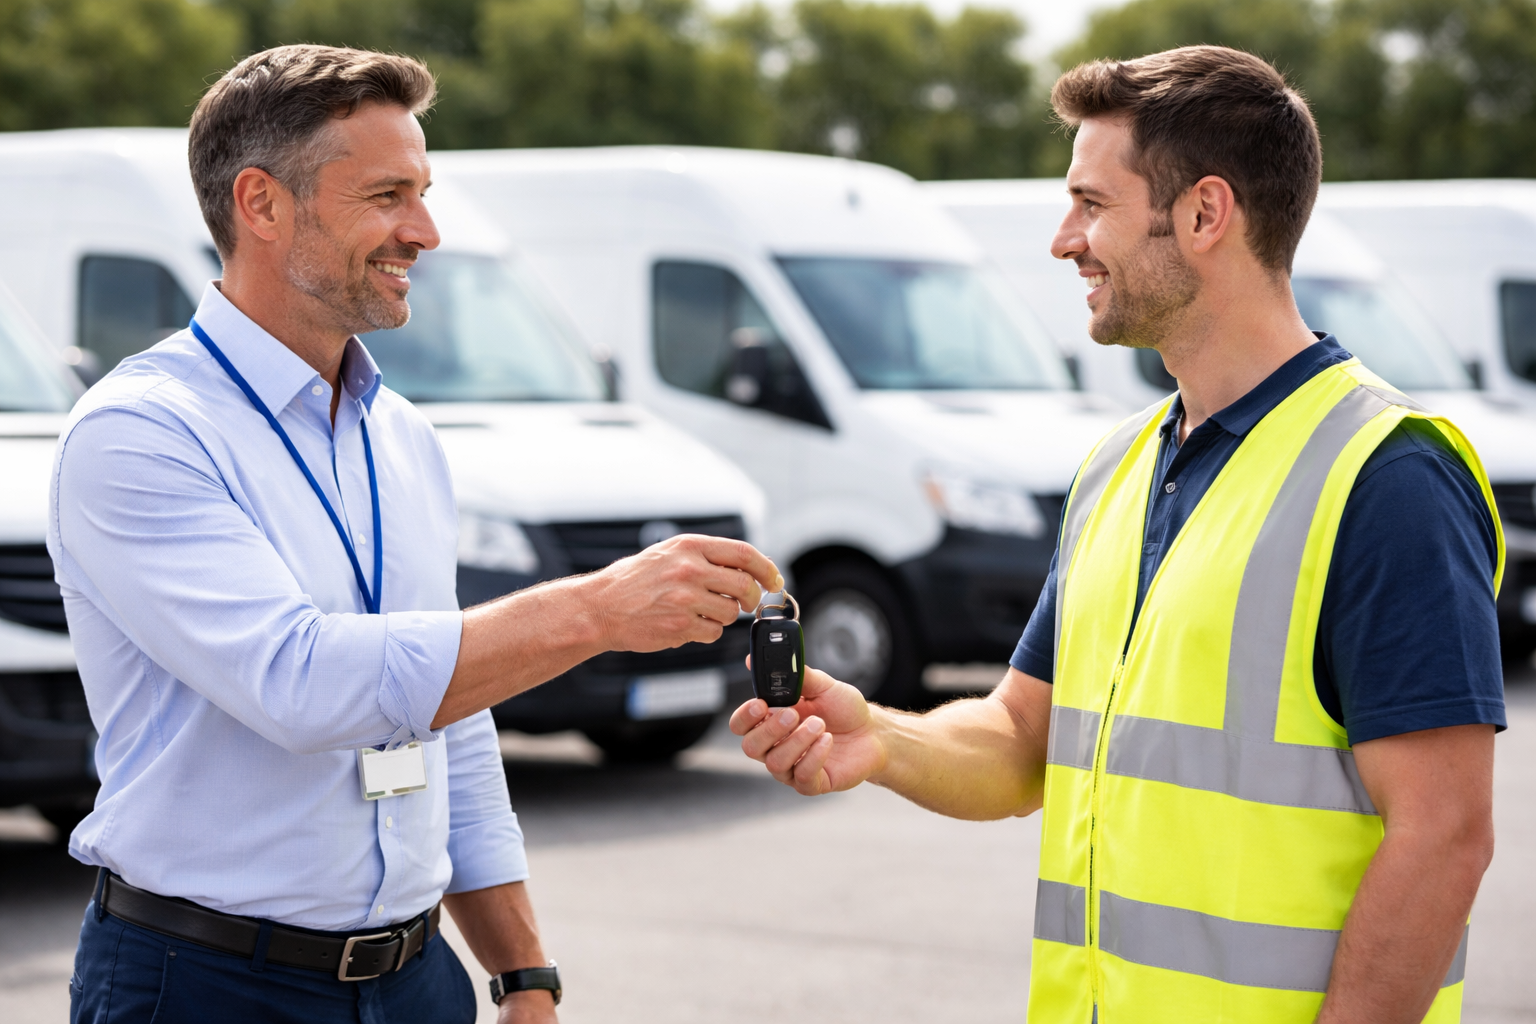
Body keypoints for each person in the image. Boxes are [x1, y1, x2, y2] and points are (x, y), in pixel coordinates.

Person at [733, 45, 1504, 1024]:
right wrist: (876, 735)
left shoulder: (1388, 478)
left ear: (1204, 213)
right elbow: (1020, 737)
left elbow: (1444, 835)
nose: (1065, 240)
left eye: (1091, 204)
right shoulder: (1116, 467)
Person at [52, 45, 781, 1024]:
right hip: (205, 985)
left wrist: (522, 973)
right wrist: (595, 610)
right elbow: (302, 683)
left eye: (425, 192)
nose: (426, 231)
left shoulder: (402, 436)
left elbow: (445, 712)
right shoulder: (139, 433)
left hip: (418, 985)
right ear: (261, 206)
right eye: (389, 194)